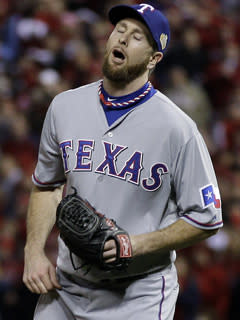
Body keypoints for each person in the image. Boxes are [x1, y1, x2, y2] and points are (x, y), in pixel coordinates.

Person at [23, 3, 223, 320]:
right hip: (66, 287)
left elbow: (207, 217)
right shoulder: (65, 106)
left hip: (136, 297)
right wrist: (33, 252)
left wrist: (137, 244)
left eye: (138, 36)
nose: (123, 39)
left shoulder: (177, 128)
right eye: (120, 30)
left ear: (154, 59)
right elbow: (47, 187)